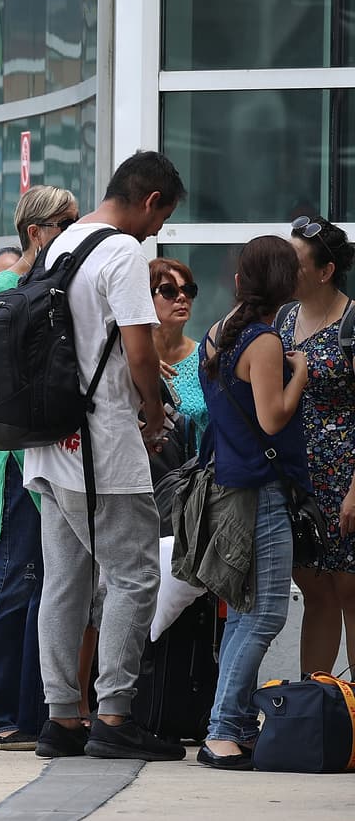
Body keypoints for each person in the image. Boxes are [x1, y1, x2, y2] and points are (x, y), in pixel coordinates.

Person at [24, 152, 186, 761]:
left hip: (49, 442)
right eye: (162, 217)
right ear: (150, 200)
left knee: (64, 582)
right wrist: (153, 413)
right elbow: (140, 352)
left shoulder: (59, 244)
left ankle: (61, 717)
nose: (158, 230)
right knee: (135, 575)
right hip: (103, 446)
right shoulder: (120, 252)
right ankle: (114, 715)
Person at [0, 185, 79, 748]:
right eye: (64, 224)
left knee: (38, 585)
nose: (73, 233)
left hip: (38, 454)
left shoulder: (44, 283)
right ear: (36, 231)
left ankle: (24, 714)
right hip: (11, 458)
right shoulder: (8, 289)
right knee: (11, 580)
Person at [197, 235, 307, 770]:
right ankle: (222, 730)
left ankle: (234, 724)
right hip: (260, 490)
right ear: (287, 285)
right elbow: (272, 417)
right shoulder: (262, 341)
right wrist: (300, 374)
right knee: (265, 615)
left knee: (244, 612)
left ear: (242, 280)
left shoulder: (217, 333)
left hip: (230, 486)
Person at [277, 215, 355, 676]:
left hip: (345, 476)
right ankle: (315, 702)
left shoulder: (351, 322)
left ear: (325, 271)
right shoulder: (284, 317)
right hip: (298, 481)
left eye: (295, 262)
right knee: (316, 592)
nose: (285, 269)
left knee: (350, 591)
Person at [151, 259, 208, 447]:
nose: (182, 297)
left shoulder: (206, 357)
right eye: (169, 291)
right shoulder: (128, 360)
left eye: (188, 290)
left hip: (199, 464)